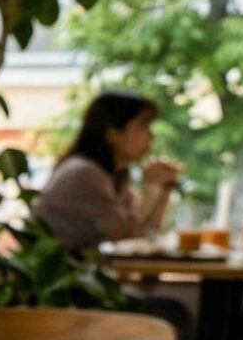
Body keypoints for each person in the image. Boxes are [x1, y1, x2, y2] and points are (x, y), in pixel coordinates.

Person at [34, 90, 182, 248]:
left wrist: (165, 188)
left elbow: (147, 234)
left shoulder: (117, 175)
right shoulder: (83, 174)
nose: (151, 136)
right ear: (113, 134)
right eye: (143, 125)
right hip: (64, 271)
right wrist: (151, 187)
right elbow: (127, 239)